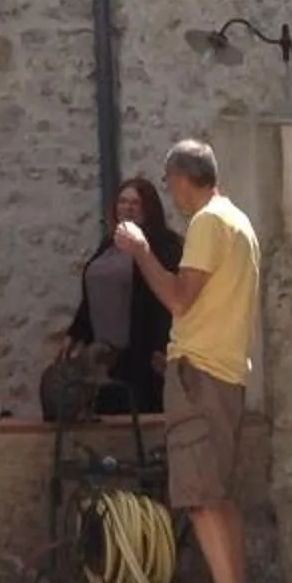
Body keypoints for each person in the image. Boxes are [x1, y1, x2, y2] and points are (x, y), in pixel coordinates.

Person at [118, 136, 264, 583]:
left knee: (201, 500)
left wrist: (140, 251)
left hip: (199, 375)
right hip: (225, 374)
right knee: (219, 498)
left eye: (169, 183)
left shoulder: (206, 223)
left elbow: (180, 299)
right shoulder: (240, 222)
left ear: (182, 178)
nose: (170, 194)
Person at [48, 176, 182, 416]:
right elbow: (94, 295)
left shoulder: (164, 246)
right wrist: (75, 333)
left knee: (140, 413)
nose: (128, 208)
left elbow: (167, 296)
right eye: (122, 202)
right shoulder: (108, 245)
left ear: (148, 209)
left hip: (142, 351)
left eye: (135, 203)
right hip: (104, 355)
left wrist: (165, 348)